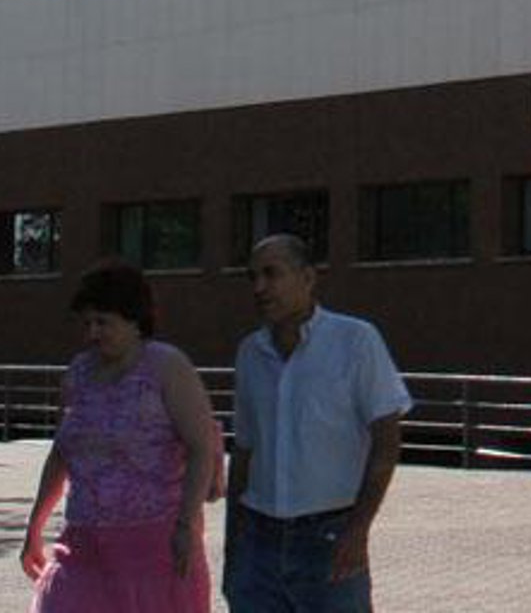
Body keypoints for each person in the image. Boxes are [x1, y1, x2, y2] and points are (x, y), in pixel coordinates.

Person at [224, 234, 410, 613]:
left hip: (329, 539)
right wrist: (233, 548)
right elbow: (244, 452)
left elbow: (387, 441)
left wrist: (358, 530)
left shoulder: (355, 341)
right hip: (258, 541)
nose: (259, 287)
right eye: (252, 277)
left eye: (272, 274)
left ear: (308, 278)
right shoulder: (250, 353)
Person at [21, 258, 219, 613]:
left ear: (135, 320)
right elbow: (62, 453)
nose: (93, 333)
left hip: (154, 548)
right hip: (83, 546)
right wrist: (34, 527)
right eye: (87, 323)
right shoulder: (79, 373)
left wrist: (187, 524)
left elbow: (201, 447)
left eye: (103, 322)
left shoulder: (166, 366)